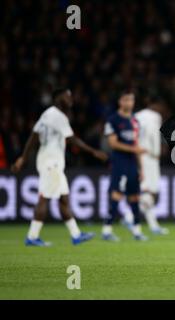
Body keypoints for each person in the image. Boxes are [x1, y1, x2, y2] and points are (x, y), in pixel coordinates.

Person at [11, 88, 107, 246]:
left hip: (50, 162)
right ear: (57, 98)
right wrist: (94, 151)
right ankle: (32, 237)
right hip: (51, 163)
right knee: (44, 198)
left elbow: (33, 137)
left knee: (63, 199)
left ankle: (76, 235)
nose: (71, 99)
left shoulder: (46, 114)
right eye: (67, 96)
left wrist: (23, 158)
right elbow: (72, 139)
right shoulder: (59, 116)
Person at [101, 89, 148, 242]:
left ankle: (137, 231)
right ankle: (107, 230)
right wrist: (134, 149)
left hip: (133, 164)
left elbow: (136, 144)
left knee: (134, 197)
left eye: (131, 100)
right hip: (119, 163)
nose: (129, 103)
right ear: (120, 102)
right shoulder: (113, 120)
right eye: (126, 100)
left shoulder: (135, 121)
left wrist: (141, 168)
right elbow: (113, 143)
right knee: (116, 195)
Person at [122, 97, 169, 235]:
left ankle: (153, 225)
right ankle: (129, 217)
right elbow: (154, 135)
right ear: (155, 105)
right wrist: (158, 152)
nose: (163, 111)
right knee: (150, 192)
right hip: (149, 156)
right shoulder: (155, 116)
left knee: (146, 191)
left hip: (136, 154)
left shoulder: (136, 116)